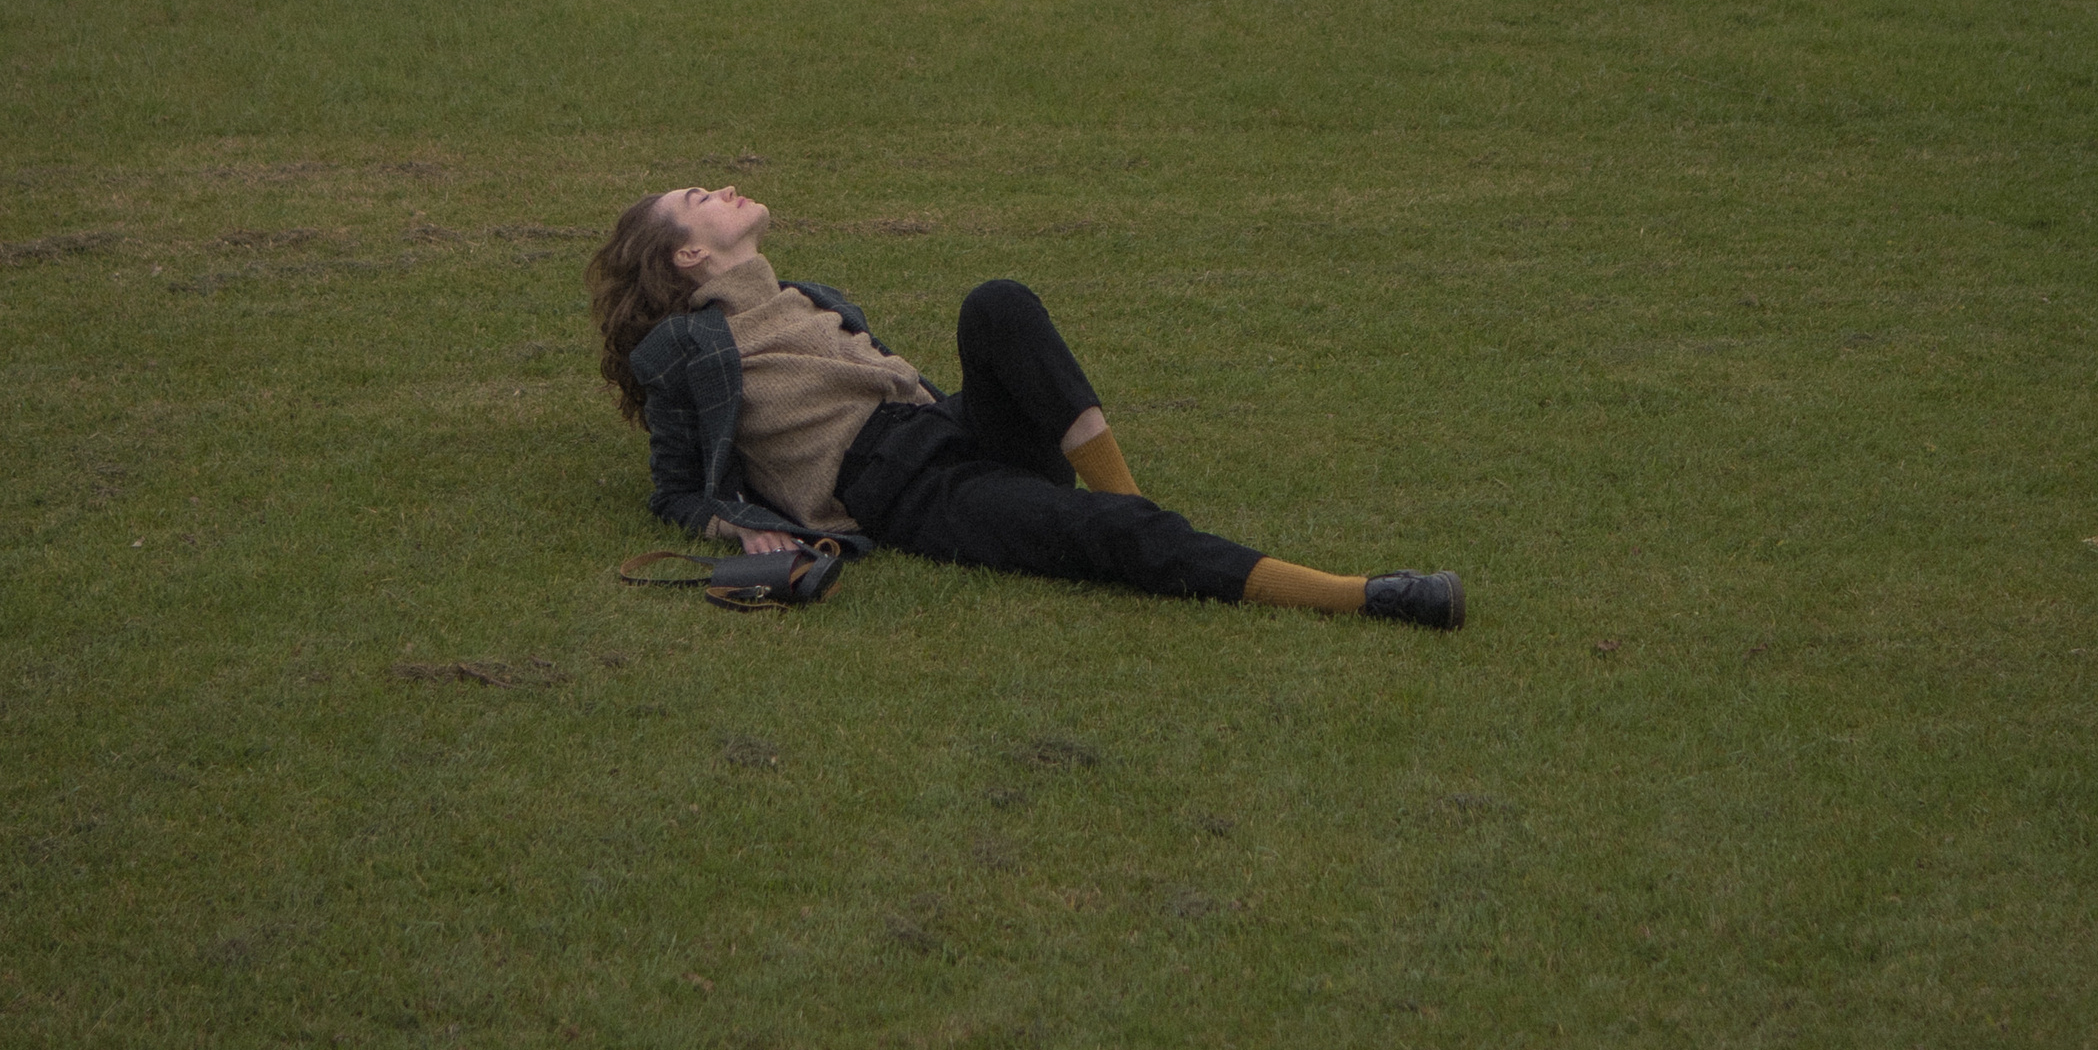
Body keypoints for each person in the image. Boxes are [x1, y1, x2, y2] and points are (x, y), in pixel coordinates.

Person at [588, 183, 1464, 629]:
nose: (724, 187)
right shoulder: (686, 351)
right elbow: (673, 488)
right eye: (702, 197)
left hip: (950, 430)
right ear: (691, 255)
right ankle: (1367, 597)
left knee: (996, 302)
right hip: (906, 490)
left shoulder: (808, 294)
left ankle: (1124, 500)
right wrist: (737, 526)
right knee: (1105, 546)